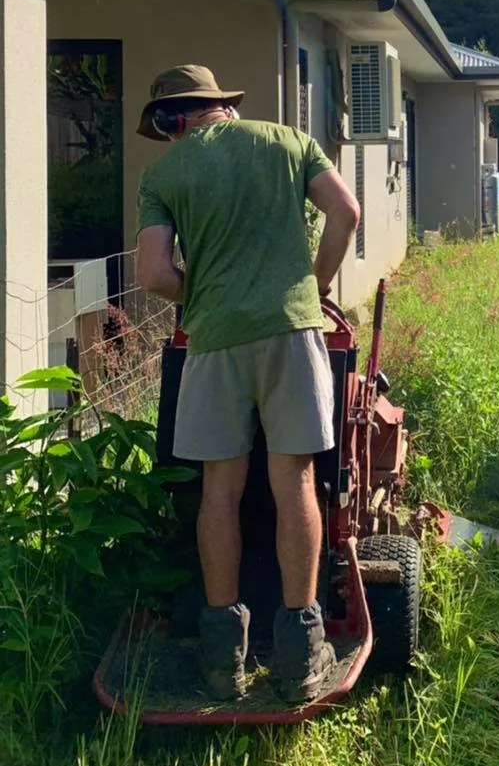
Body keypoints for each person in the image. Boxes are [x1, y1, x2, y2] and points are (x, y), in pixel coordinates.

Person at [133, 64, 361, 703]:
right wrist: (314, 283)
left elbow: (153, 274)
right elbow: (346, 211)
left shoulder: (164, 175)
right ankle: (299, 656)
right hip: (292, 334)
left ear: (172, 120)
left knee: (219, 491)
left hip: (211, 342)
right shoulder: (287, 141)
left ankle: (221, 661)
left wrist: (199, 294)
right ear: (220, 107)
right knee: (295, 485)